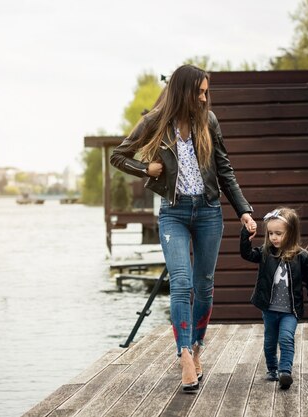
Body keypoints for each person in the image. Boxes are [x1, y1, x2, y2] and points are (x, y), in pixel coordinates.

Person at [110, 64, 256, 392]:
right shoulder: (155, 122)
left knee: (203, 286)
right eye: (199, 92)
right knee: (181, 282)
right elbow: (118, 157)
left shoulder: (209, 121)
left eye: (207, 92)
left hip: (207, 212)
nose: (204, 98)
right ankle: (185, 354)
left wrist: (244, 211)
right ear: (183, 91)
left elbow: (224, 169)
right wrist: (145, 168)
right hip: (173, 214)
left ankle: (198, 346)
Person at [240, 207, 308, 390]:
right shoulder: (265, 253)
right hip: (269, 309)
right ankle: (272, 369)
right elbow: (246, 254)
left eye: (278, 233)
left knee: (286, 338)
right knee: (270, 341)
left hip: (290, 311)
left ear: (290, 233)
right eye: (270, 233)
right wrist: (246, 236)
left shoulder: (302, 257)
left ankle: (285, 372)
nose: (274, 237)